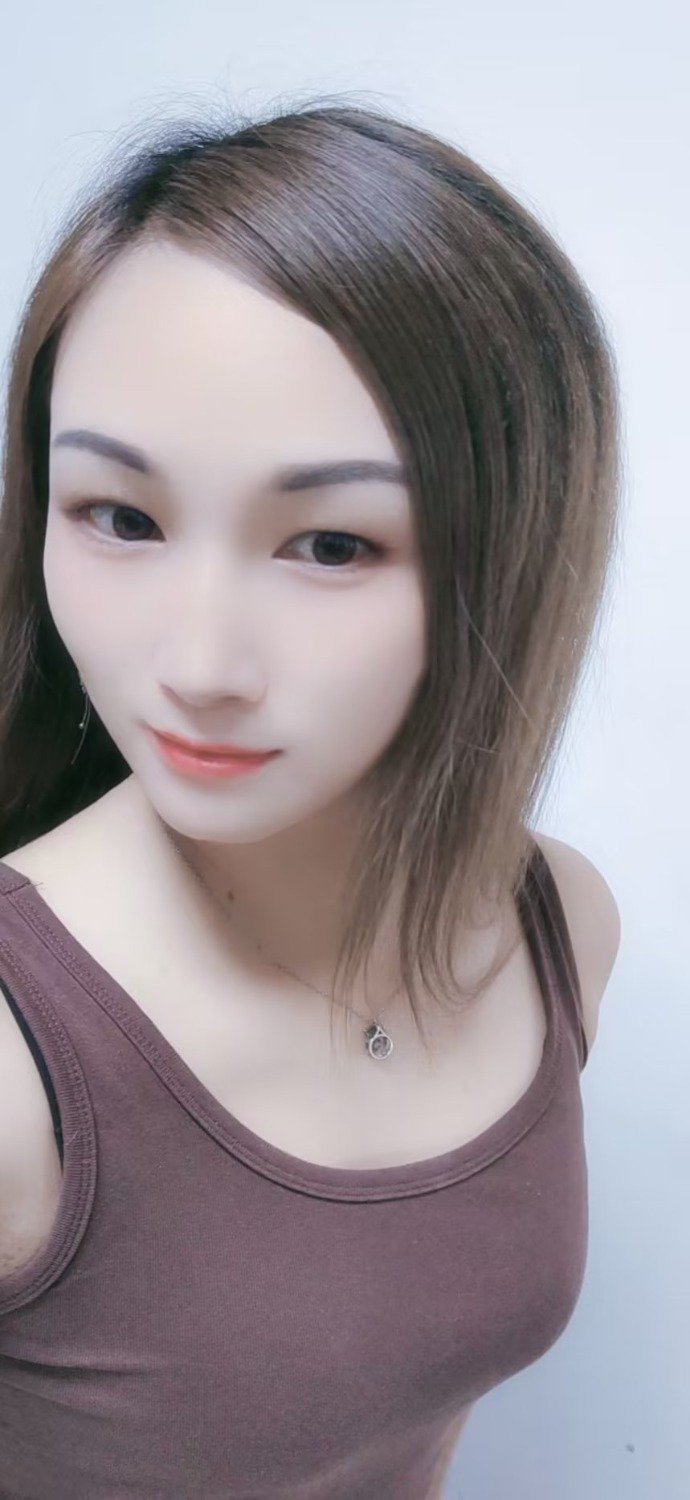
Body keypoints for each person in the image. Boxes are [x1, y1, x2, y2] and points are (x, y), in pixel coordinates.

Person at [0, 99, 622, 1499]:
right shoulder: (16, 1070)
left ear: (512, 553)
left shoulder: (558, 925)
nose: (199, 666)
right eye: (120, 517)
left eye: (330, 544)